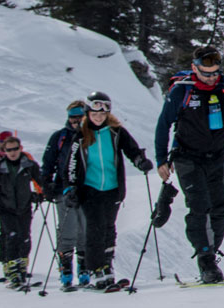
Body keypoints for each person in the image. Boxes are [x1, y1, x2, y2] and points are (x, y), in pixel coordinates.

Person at [155, 46, 224, 283]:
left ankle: (212, 254)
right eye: (206, 73)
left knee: (219, 206)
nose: (211, 77)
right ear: (195, 69)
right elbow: (163, 124)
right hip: (187, 157)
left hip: (219, 156)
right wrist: (161, 160)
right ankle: (205, 260)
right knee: (199, 205)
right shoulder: (181, 91)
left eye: (215, 73)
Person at [61, 91, 154, 289]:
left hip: (113, 188)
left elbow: (132, 149)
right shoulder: (80, 135)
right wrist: (71, 187)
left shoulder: (116, 131)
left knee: (109, 228)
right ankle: (96, 269)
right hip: (90, 189)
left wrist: (140, 161)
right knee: (95, 229)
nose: (98, 117)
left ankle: (107, 267)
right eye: (94, 113)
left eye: (102, 113)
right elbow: (72, 163)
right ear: (88, 112)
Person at [0, 131, 44, 288]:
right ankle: (12, 270)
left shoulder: (29, 165)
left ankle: (21, 267)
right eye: (9, 150)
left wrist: (42, 194)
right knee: (12, 236)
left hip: (24, 207)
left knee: (25, 237)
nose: (13, 152)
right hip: (5, 208)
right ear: (4, 151)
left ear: (20, 148)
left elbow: (41, 181)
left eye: (15, 149)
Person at [41, 101, 87, 286]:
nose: (76, 121)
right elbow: (48, 162)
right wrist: (46, 184)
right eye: (73, 117)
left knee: (85, 229)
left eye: (79, 117)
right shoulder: (59, 137)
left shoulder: (91, 136)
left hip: (86, 190)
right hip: (63, 189)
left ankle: (84, 267)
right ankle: (66, 269)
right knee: (67, 229)